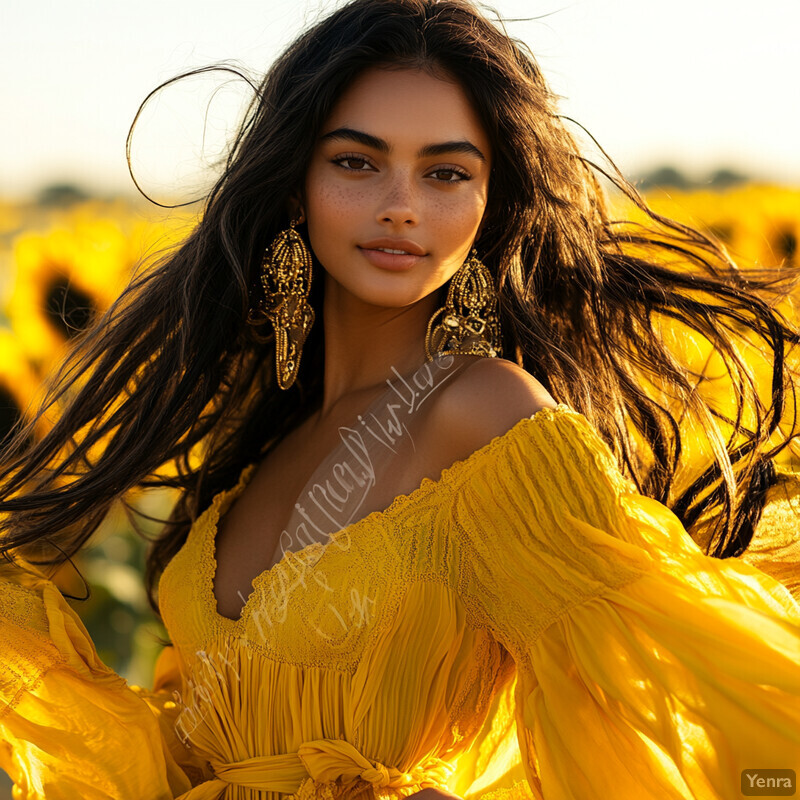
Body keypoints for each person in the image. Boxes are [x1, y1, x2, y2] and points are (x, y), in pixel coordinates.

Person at [1, 0, 799, 797]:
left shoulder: (485, 414)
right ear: (293, 186)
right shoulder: (268, 441)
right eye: (356, 162)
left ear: (491, 207)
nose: (402, 204)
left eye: (446, 172)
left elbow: (674, 695)